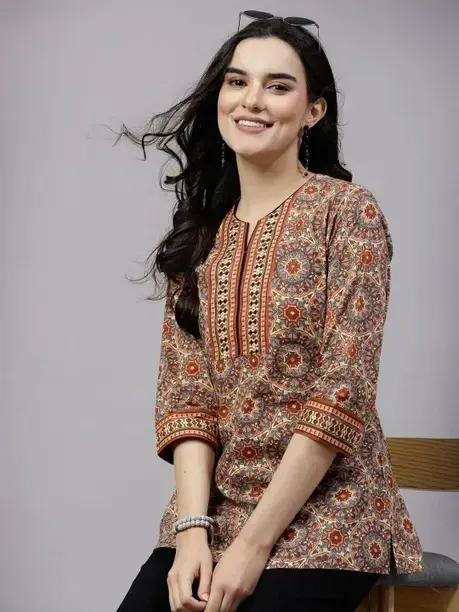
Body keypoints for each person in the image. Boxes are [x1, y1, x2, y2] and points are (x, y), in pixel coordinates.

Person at [116, 10, 424, 612]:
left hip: (329, 514)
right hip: (215, 510)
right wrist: (191, 531)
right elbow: (187, 399)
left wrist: (254, 547)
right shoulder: (198, 236)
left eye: (278, 86)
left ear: (314, 111)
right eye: (238, 81)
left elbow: (342, 391)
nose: (252, 100)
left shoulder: (348, 212)